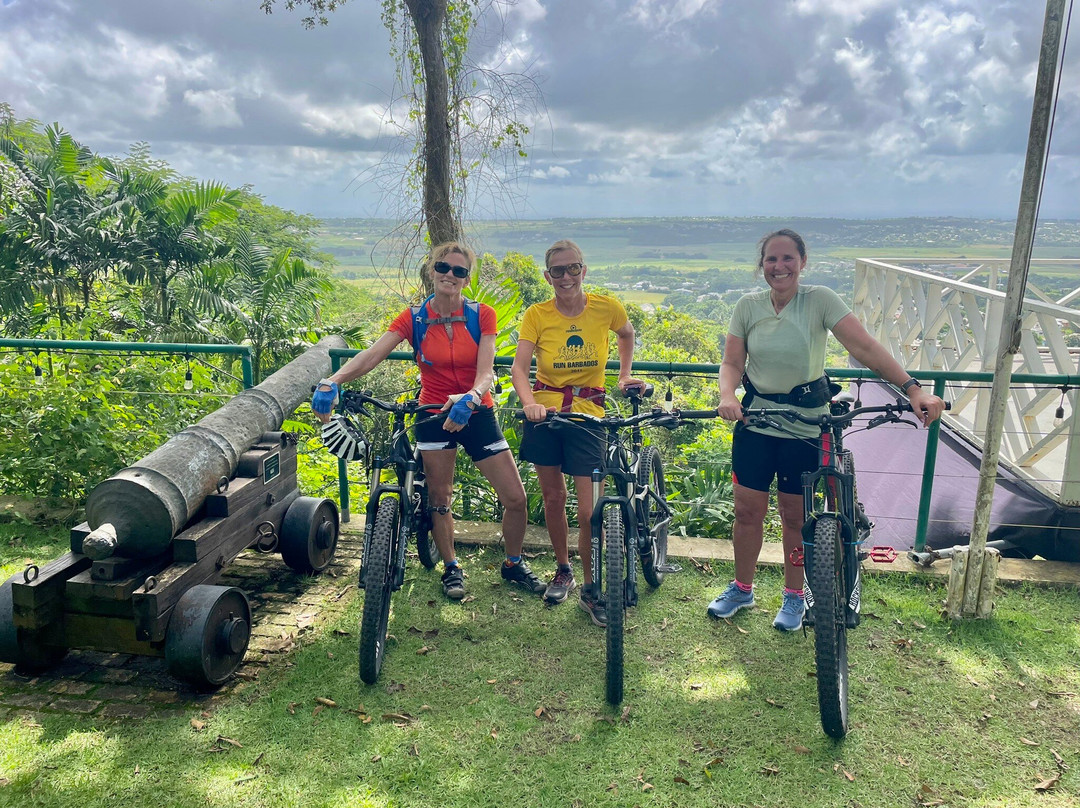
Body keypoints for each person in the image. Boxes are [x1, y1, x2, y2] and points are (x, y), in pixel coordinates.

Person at [708, 228, 946, 630]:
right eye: (771, 259)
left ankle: (794, 596)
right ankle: (742, 588)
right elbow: (732, 362)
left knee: (793, 515)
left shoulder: (819, 300)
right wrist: (728, 395)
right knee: (747, 512)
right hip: (757, 420)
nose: (779, 267)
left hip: (804, 423)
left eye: (787, 259)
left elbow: (864, 347)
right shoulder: (748, 306)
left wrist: (912, 388)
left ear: (802, 262)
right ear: (761, 264)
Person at [311, 242, 544, 602]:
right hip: (432, 413)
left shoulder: (482, 314)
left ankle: (513, 563)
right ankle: (451, 567)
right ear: (432, 270)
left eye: (459, 270)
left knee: (515, 497)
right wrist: (333, 381)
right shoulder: (414, 317)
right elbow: (373, 354)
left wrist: (469, 397)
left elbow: (486, 372)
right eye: (443, 267)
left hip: (475, 412)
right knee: (440, 498)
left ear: (467, 279)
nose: (450, 275)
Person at [511, 239, 644, 627]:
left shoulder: (606, 307)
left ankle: (591, 587)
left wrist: (622, 375)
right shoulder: (537, 314)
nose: (566, 276)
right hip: (545, 413)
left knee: (589, 512)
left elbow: (626, 333)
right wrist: (528, 401)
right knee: (554, 497)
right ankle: (564, 569)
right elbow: (520, 368)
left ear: (583, 270)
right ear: (548, 275)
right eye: (558, 270)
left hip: (588, 415)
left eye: (573, 268)